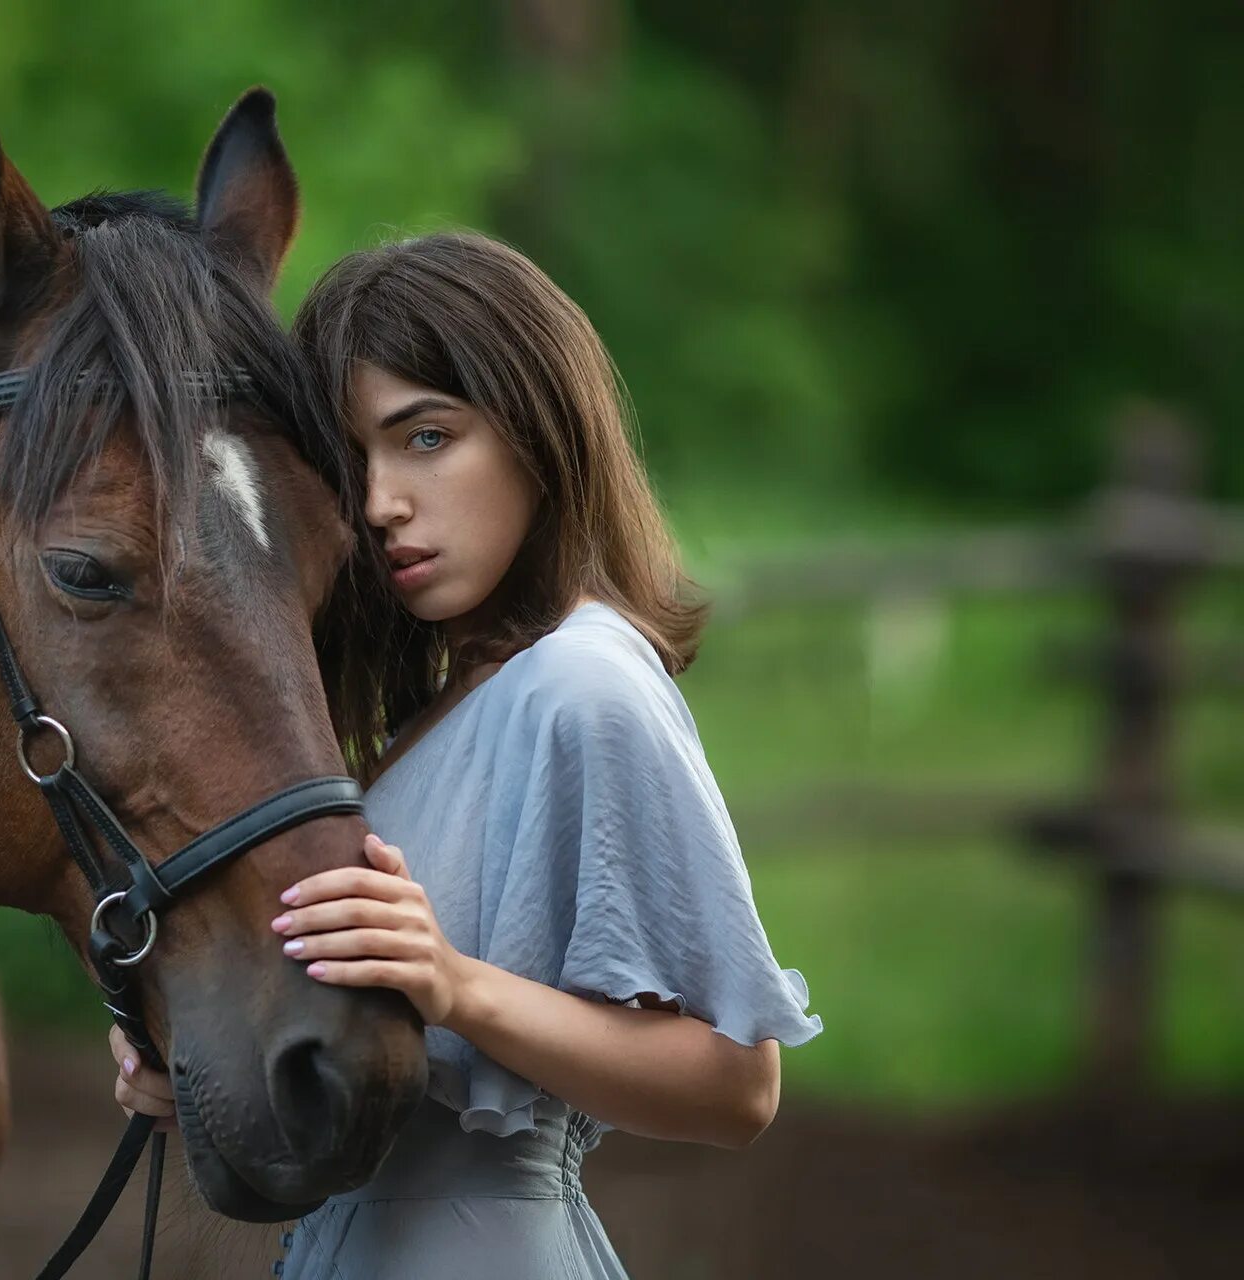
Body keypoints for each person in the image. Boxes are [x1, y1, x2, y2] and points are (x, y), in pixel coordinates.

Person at [109, 231, 822, 1278]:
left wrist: (454, 984)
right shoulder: (444, 706)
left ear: (540, 429)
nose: (382, 500)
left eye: (427, 437)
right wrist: (204, 1058)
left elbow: (736, 1085)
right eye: (353, 461)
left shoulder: (585, 684)